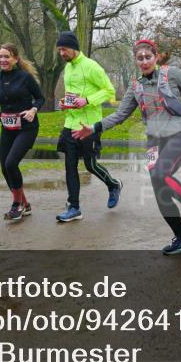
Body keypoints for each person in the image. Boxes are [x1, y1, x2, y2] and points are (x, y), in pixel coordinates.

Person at [72, 39, 181, 255]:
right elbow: (120, 115)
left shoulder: (171, 74)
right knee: (158, 187)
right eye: (140, 58)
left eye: (148, 57)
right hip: (154, 141)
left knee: (161, 173)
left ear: (156, 57)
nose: (144, 61)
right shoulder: (135, 86)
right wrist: (94, 127)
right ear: (136, 61)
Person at [54, 31, 122, 222]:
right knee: (70, 166)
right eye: (59, 50)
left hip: (89, 125)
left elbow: (109, 90)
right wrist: (65, 103)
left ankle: (113, 185)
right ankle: (74, 207)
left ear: (73, 47)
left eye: (64, 49)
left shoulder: (91, 66)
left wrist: (87, 100)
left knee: (90, 165)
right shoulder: (68, 68)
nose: (61, 53)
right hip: (70, 124)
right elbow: (73, 94)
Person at [0, 44, 44, 221]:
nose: (3, 60)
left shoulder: (25, 78)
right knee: (5, 168)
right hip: (7, 129)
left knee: (11, 163)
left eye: (7, 56)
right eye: (1, 57)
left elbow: (40, 98)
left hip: (26, 128)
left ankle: (16, 204)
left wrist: (33, 110)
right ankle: (25, 204)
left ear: (15, 59)